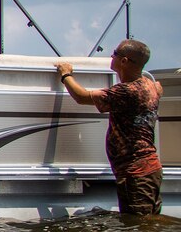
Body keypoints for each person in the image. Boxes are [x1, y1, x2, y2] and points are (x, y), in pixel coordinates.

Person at [56, 39, 164, 216]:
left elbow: (82, 97)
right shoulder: (150, 86)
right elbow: (159, 89)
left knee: (138, 227)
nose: (111, 56)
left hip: (135, 172)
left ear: (124, 61)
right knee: (148, 221)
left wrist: (65, 75)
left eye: (115, 53)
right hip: (149, 168)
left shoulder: (126, 91)